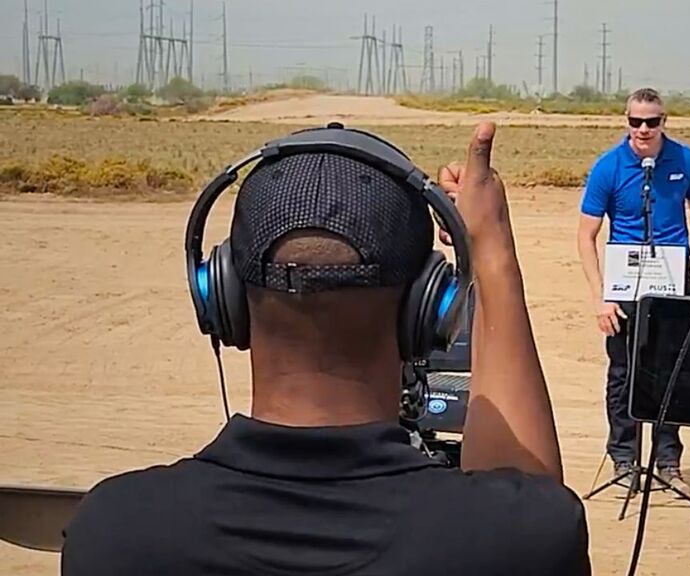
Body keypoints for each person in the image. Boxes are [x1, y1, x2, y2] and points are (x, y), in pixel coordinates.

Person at [61, 122, 592, 575]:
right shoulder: (522, 539)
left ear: (223, 301)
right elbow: (524, 503)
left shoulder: (113, 535)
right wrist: (493, 251)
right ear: (427, 311)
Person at [577, 87, 690, 497]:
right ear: (626, 121)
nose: (643, 129)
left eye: (652, 121)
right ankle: (624, 460)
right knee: (624, 372)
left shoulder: (685, 160)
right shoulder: (608, 167)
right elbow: (586, 235)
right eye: (636, 121)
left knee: (673, 371)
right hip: (625, 280)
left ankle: (667, 461)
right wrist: (600, 297)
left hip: (673, 277)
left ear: (665, 121)